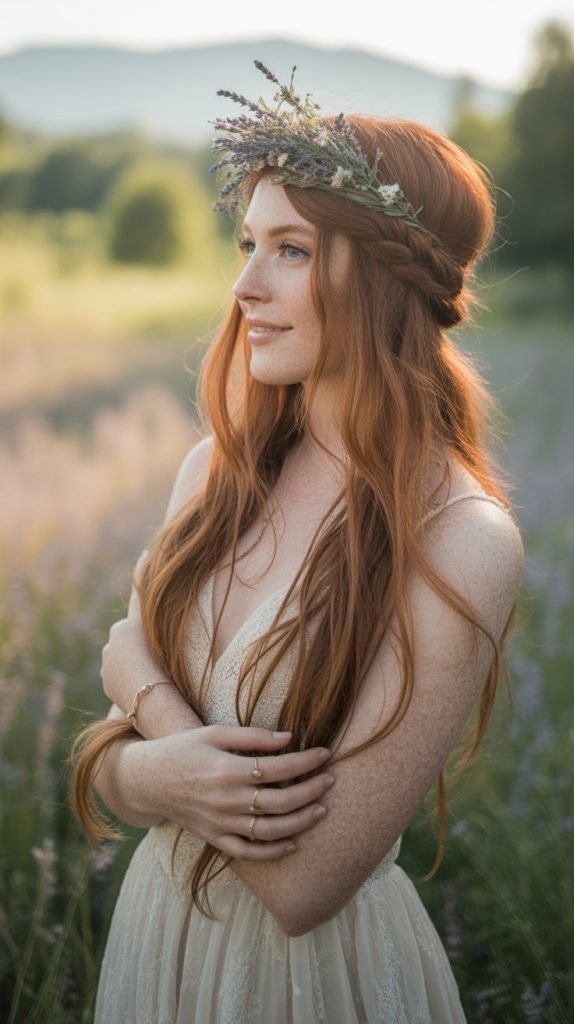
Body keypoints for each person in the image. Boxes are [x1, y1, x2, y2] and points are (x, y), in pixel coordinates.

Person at [71, 61, 525, 1024]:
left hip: (317, 982)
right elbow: (109, 777)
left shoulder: (459, 540)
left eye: (289, 249)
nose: (243, 285)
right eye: (246, 244)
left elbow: (306, 884)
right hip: (159, 952)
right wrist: (146, 763)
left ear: (387, 271)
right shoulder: (214, 475)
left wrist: (145, 695)